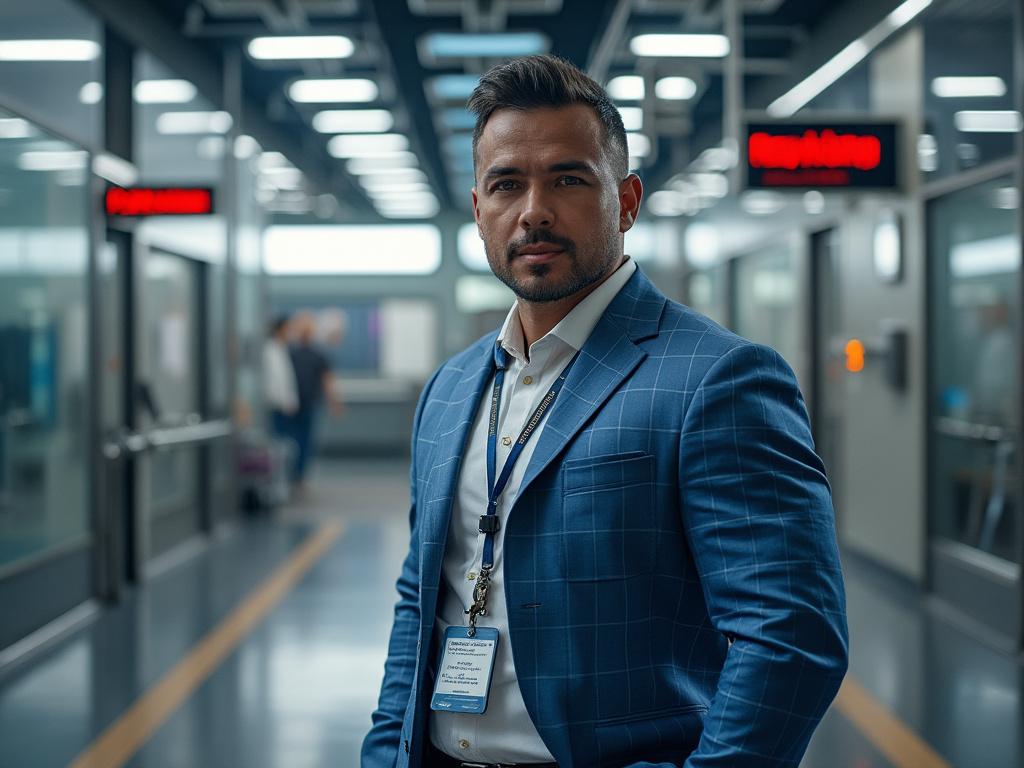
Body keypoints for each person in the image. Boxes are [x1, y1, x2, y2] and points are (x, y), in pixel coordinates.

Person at [362, 55, 847, 768]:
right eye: (507, 184)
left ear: (625, 201)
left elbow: (792, 635)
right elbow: (419, 603)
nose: (533, 211)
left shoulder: (716, 378)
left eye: (567, 178)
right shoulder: (451, 389)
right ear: (478, 210)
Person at [287, 311, 341, 490]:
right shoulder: (289, 353)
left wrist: (334, 402)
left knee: (302, 441)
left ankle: (299, 475)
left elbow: (327, 381)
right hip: (290, 405)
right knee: (293, 440)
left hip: (307, 404)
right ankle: (293, 473)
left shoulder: (317, 355)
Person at [262, 315, 299, 438]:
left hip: (282, 407)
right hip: (276, 407)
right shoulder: (270, 350)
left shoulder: (281, 349)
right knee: (277, 440)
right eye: (289, 329)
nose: (292, 333)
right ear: (280, 330)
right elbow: (275, 380)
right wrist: (285, 401)